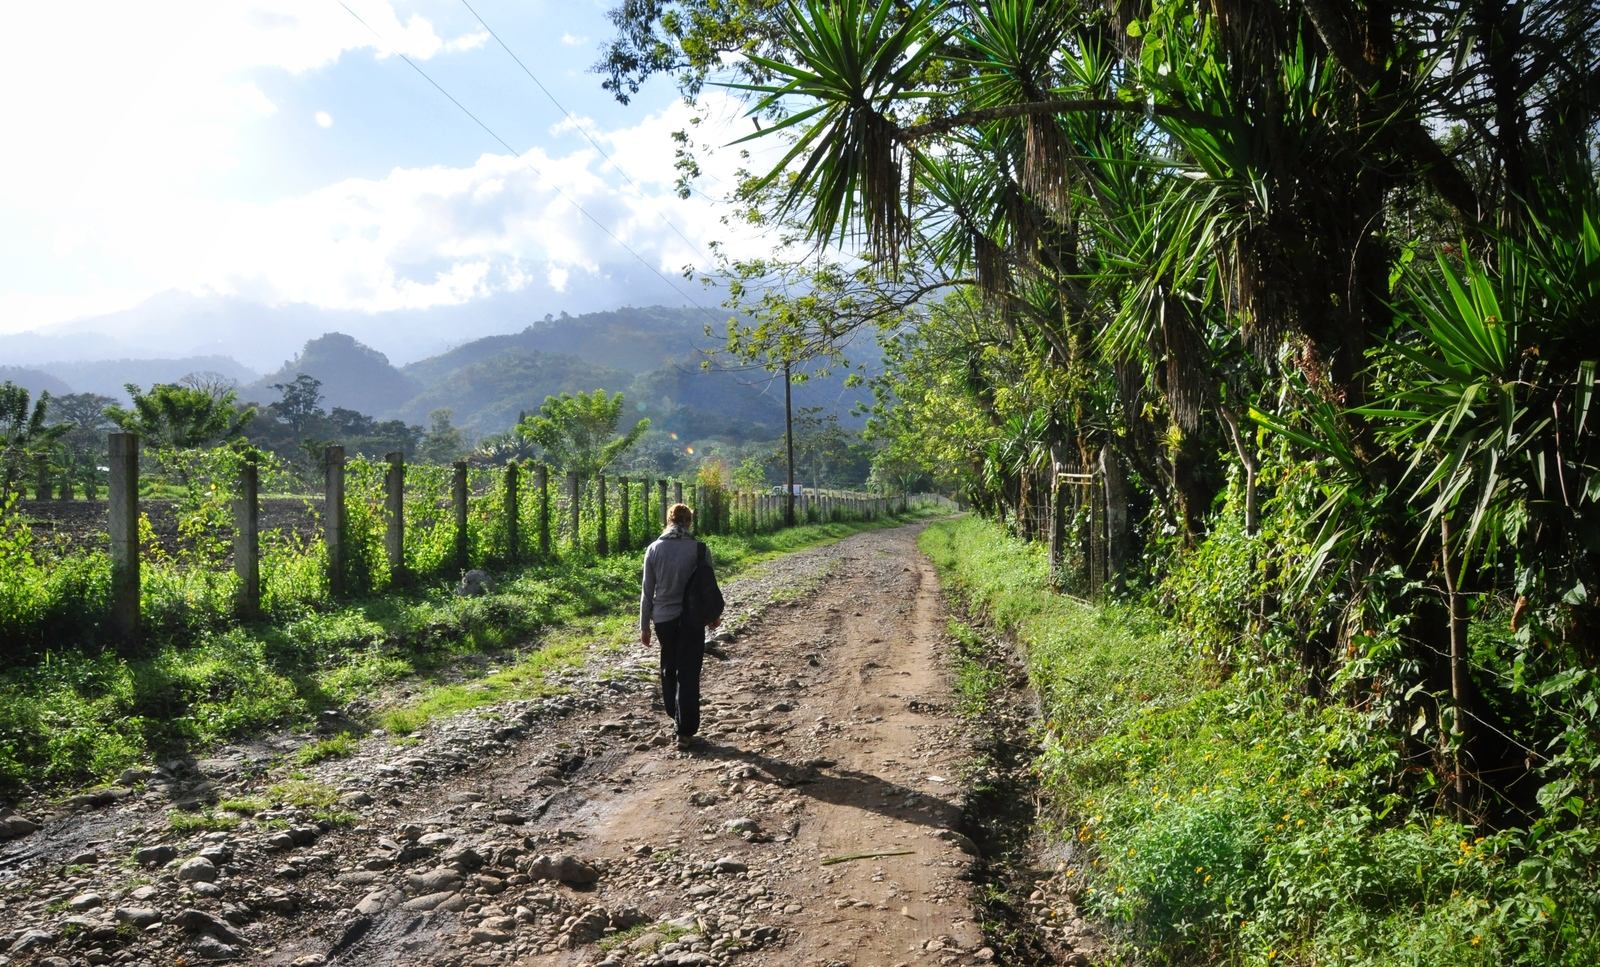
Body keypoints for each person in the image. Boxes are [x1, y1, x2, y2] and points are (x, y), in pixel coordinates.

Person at [639, 503, 721, 750]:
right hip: (692, 619)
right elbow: (709, 587)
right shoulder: (699, 549)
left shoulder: (654, 549)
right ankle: (685, 730)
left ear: (668, 520)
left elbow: (647, 592)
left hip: (663, 619)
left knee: (669, 668)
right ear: (689, 522)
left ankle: (675, 715)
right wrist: (713, 615)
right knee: (689, 672)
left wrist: (644, 626)